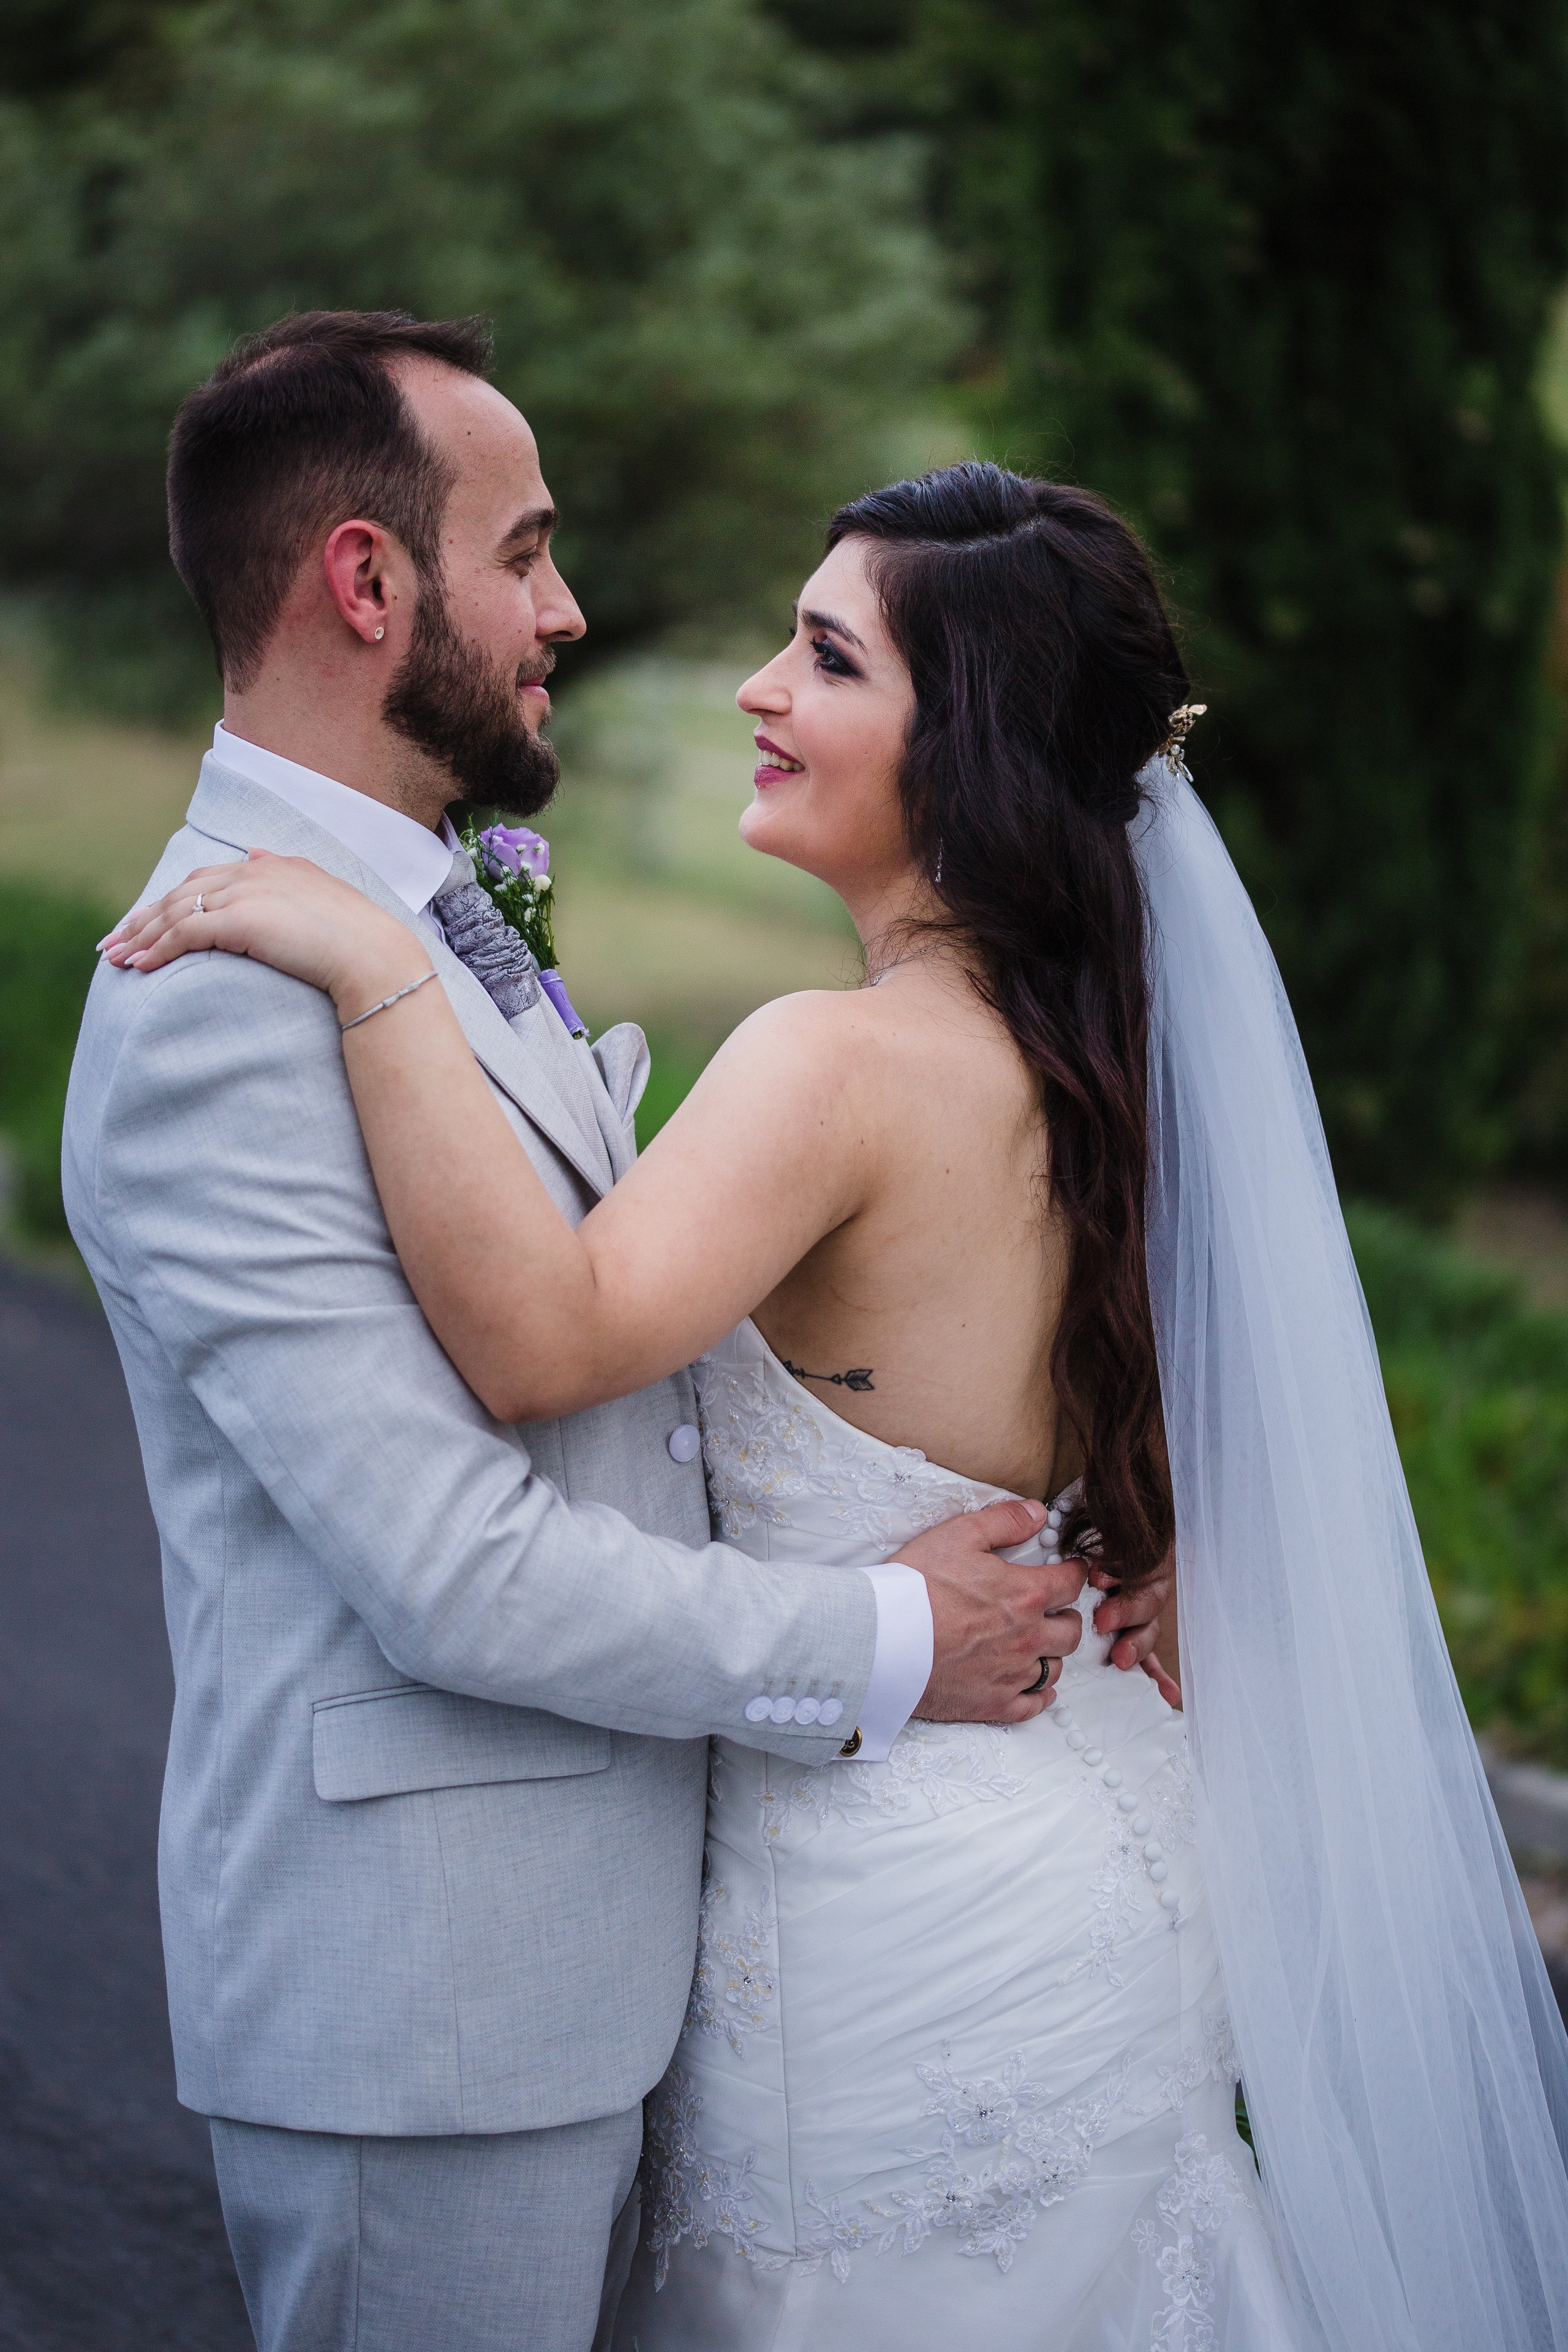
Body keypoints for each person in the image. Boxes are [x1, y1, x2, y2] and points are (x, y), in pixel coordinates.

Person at [113, 454, 1568, 2352]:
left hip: (894, 1917)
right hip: (1090, 1851)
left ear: (959, 745)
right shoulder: (1104, 1057)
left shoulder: (837, 1063)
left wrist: (381, 962)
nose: (757, 691)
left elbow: (546, 1342)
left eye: (825, 659)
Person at [66, 316, 1174, 2352]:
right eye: (530, 550)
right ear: (368, 583)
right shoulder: (224, 989)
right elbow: (451, 1568)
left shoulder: (425, 919)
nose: (571, 608)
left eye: (827, 656)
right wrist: (898, 1637)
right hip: (433, 2022)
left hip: (685, 1968)